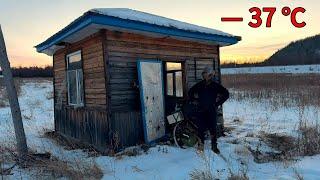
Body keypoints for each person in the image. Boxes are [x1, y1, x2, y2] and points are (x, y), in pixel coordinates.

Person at [188, 66, 229, 154]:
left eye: (206, 74)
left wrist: (218, 103)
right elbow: (190, 92)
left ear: (210, 75)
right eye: (204, 74)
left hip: (211, 110)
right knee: (200, 129)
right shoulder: (200, 85)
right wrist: (194, 101)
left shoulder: (215, 86)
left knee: (212, 129)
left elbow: (226, 94)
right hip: (200, 110)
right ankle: (200, 146)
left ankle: (214, 146)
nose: (205, 76)